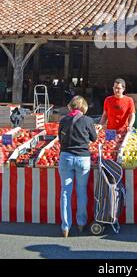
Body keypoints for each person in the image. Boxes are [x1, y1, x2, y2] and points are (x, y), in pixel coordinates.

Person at [58, 95, 97, 238]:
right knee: (81, 191)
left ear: (71, 106)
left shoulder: (63, 120)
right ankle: (81, 223)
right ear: (83, 107)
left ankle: (65, 226)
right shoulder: (88, 120)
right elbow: (94, 138)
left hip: (66, 157)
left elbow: (59, 138)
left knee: (65, 192)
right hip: (83, 158)